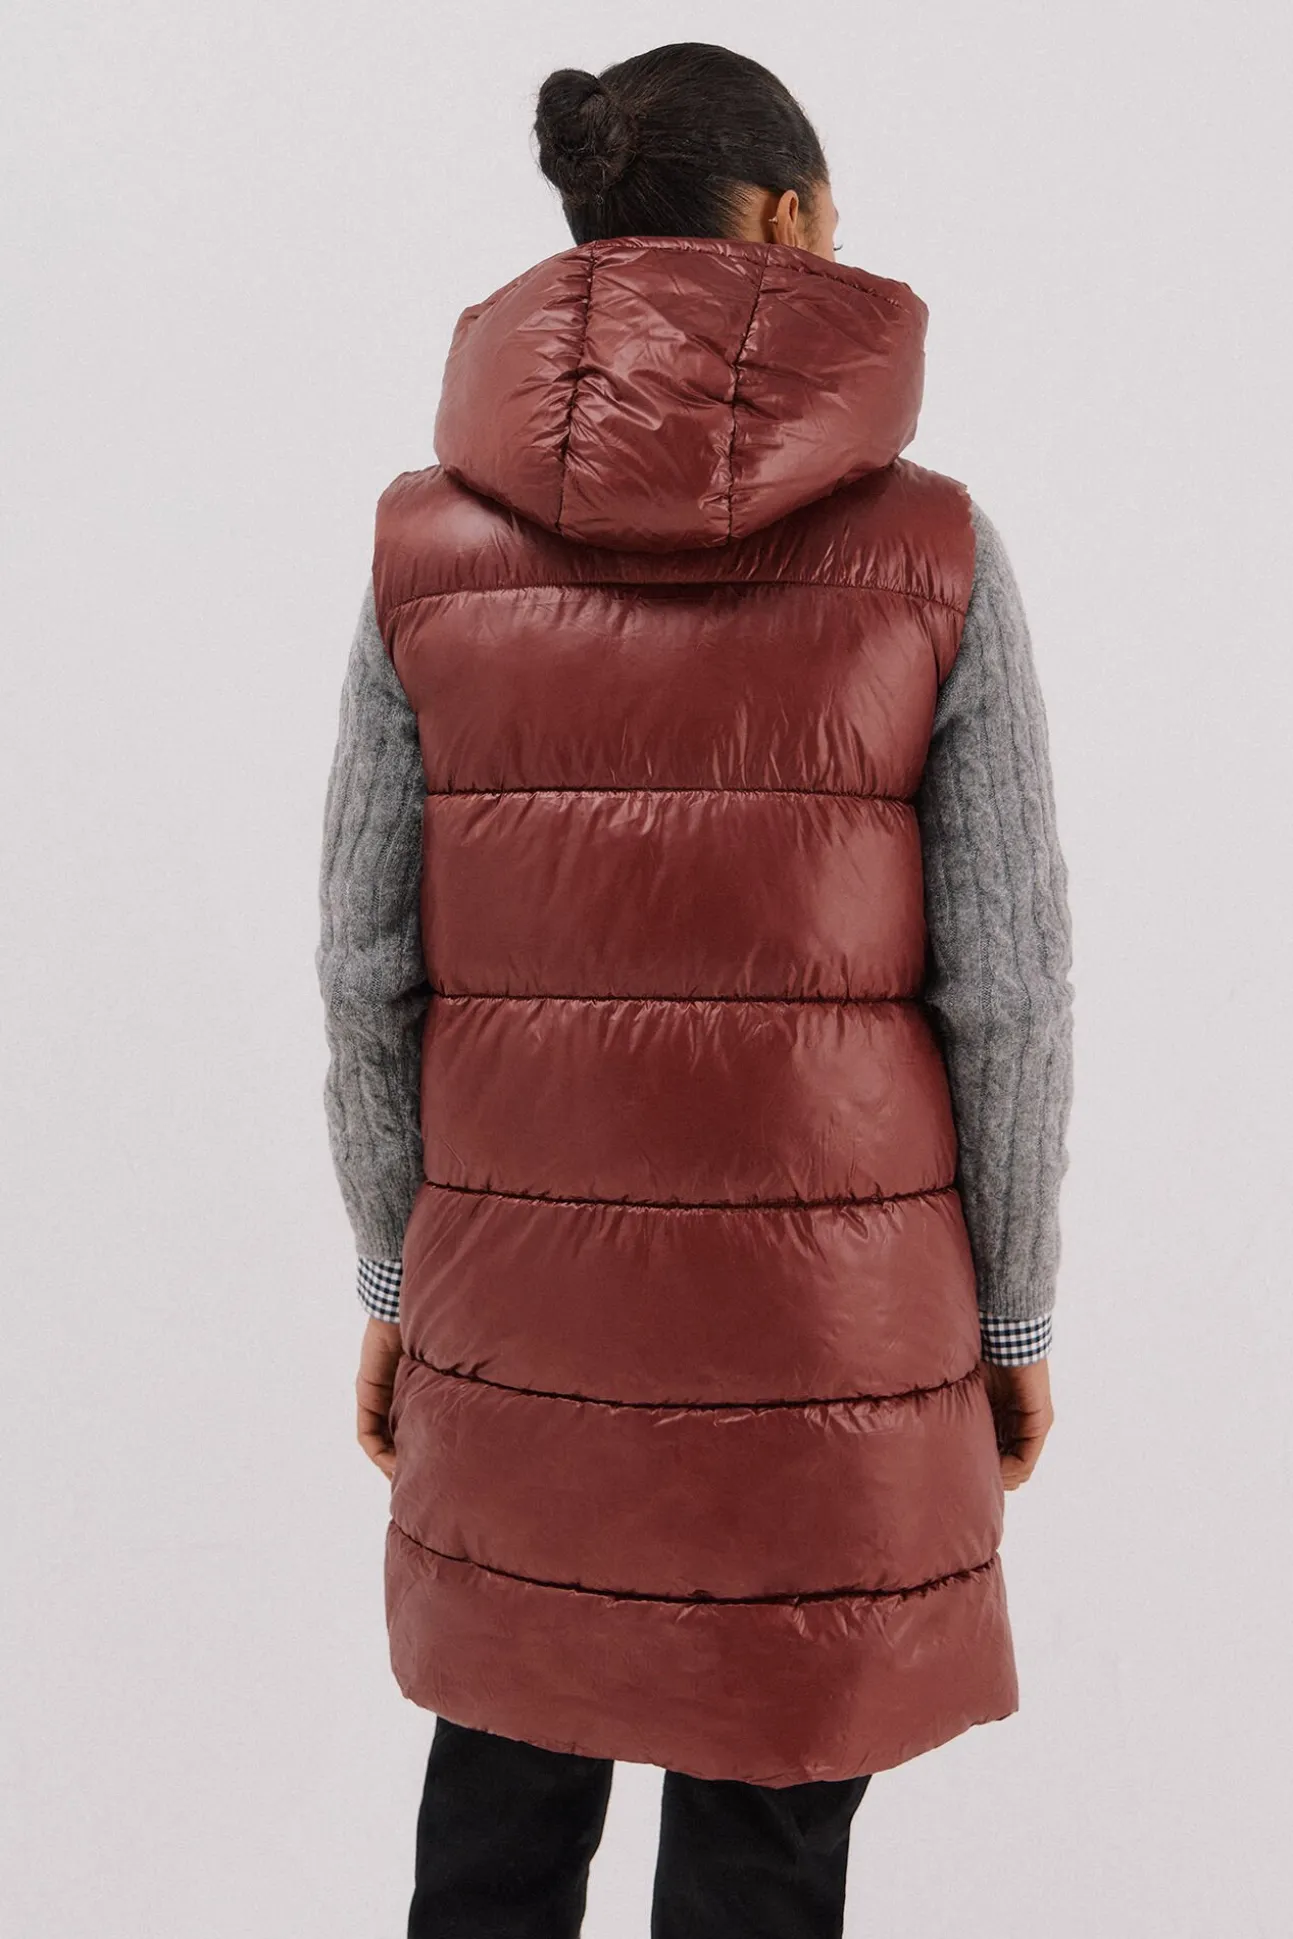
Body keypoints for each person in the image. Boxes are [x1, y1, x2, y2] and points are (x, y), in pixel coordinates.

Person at [316, 40, 1074, 1939]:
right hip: (836, 1331)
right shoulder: (934, 555)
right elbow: (1010, 983)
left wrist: (401, 1281)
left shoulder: (425, 553)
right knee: (765, 1847)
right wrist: (1013, 1308)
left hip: (519, 1318)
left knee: (498, 1818)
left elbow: (362, 964)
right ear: (794, 221)